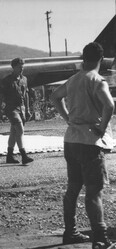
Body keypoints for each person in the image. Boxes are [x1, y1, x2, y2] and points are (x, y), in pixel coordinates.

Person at [51, 42, 114, 247]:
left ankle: (70, 231)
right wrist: (102, 128)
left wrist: (68, 118)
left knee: (73, 188)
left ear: (83, 59)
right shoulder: (97, 80)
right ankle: (101, 239)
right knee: (94, 191)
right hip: (90, 142)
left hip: (71, 140)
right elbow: (109, 105)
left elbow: (55, 96)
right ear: (101, 59)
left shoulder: (73, 79)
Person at [0, 58, 34, 165]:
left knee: (14, 133)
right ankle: (24, 156)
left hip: (21, 108)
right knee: (20, 130)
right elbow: (0, 97)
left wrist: (27, 109)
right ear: (13, 67)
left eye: (23, 66)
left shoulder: (24, 79)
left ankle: (9, 156)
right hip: (11, 108)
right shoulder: (7, 80)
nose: (21, 68)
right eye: (19, 66)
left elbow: (26, 95)